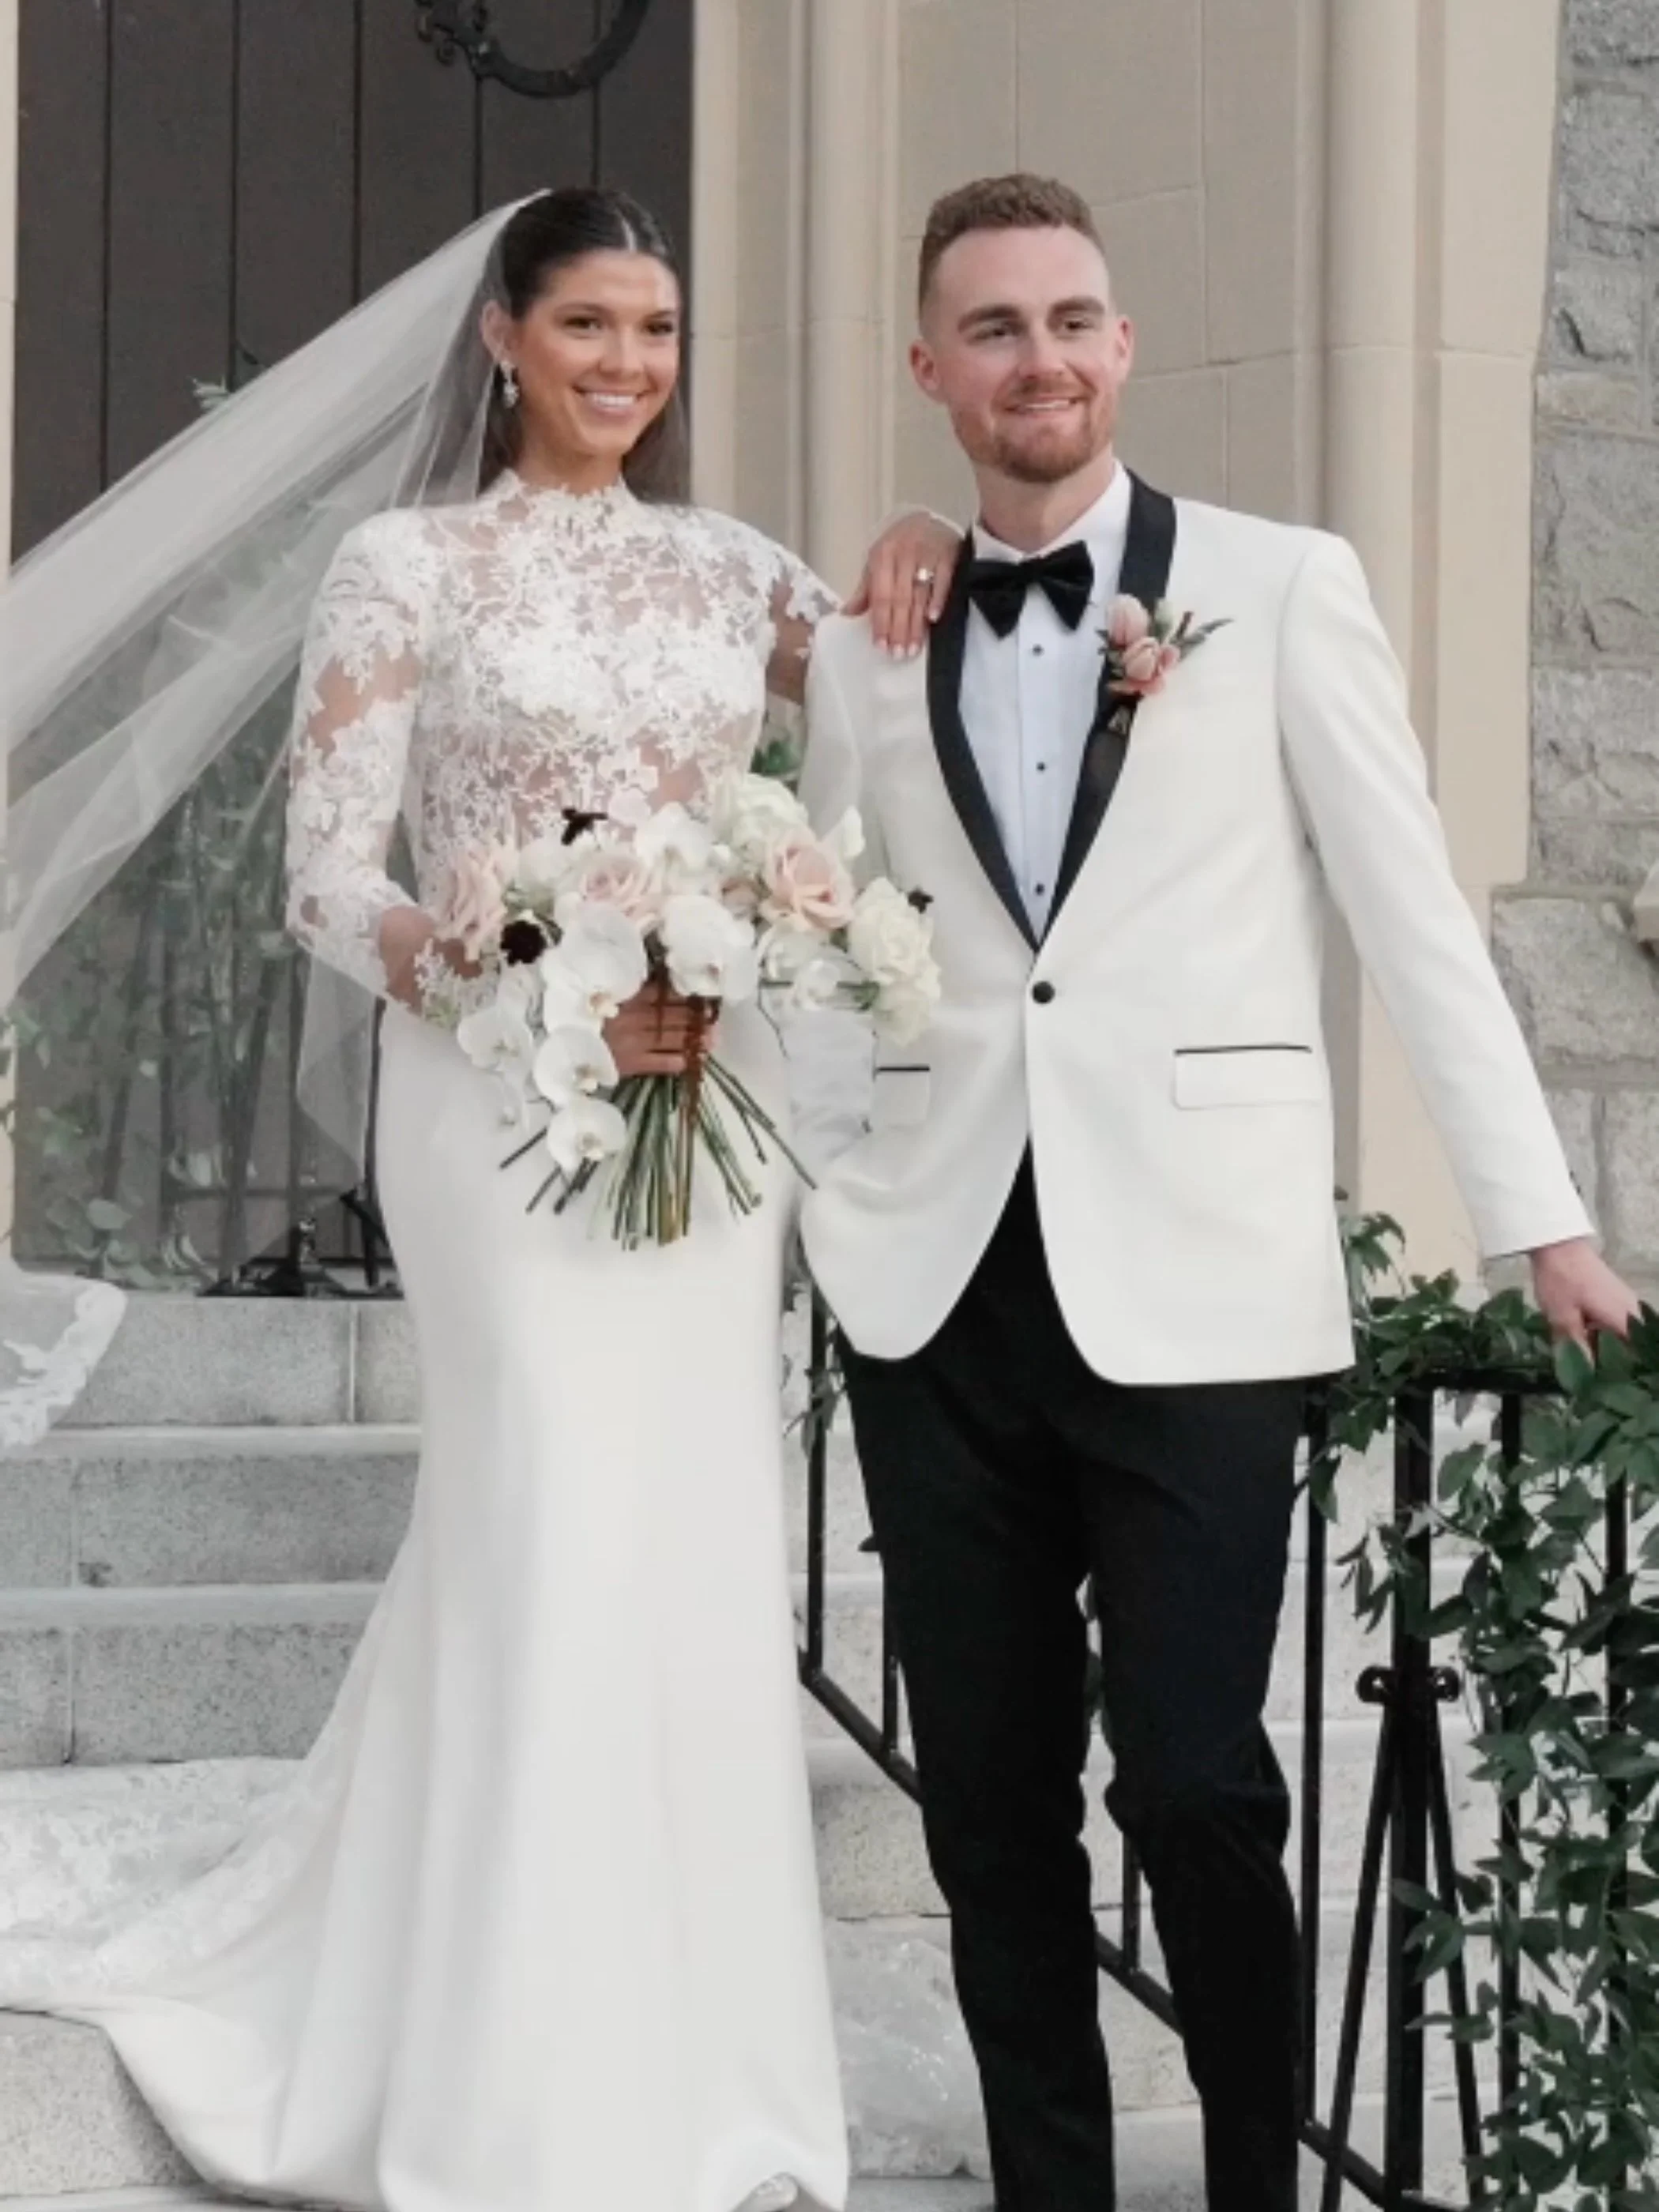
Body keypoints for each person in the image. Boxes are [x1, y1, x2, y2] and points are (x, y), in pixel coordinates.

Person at [0, 186, 960, 2212]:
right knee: (539, 1521)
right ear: (507, 337)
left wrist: (916, 549)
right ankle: (508, 2082)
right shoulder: (401, 565)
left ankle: (707, 2075)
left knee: (689, 1544)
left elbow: (887, 707)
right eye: (593, 324)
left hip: (717, 1094)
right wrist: (515, 968)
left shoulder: (729, 572)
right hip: (493, 1102)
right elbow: (327, 877)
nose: (630, 365)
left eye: (661, 332)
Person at [798, 172, 1639, 2212]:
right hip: (939, 1296)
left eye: (1073, 318)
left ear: (1124, 342)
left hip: (1196, 1287)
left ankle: (1260, 2185)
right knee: (988, 1811)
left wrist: (1541, 1221)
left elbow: (1409, 912)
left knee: (1191, 1779)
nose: (1043, 359)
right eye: (993, 329)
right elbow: (821, 944)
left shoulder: (1274, 586)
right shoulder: (864, 635)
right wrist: (820, 1199)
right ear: (929, 370)